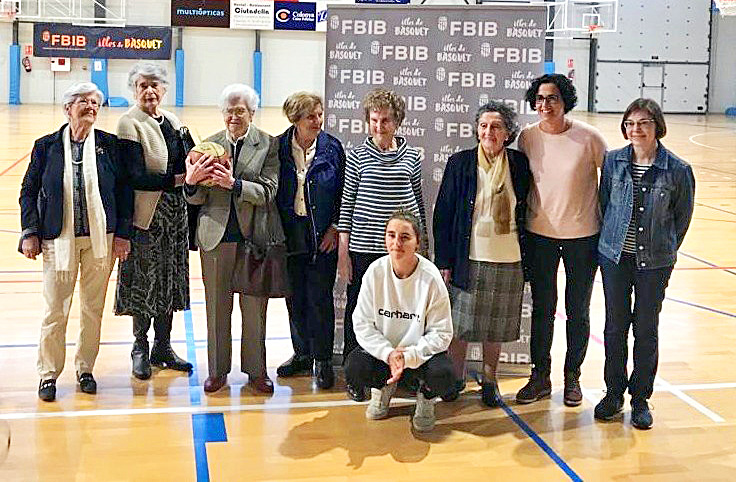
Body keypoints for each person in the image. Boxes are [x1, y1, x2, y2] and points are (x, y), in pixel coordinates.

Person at [19, 82, 132, 401]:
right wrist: (30, 231)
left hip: (102, 241)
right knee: (55, 310)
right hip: (57, 240)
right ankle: (48, 374)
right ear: (68, 108)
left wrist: (123, 234)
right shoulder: (46, 146)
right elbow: (28, 191)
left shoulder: (110, 145)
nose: (90, 106)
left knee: (92, 309)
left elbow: (124, 192)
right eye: (83, 101)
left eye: (95, 102)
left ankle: (85, 369)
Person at [594, 99, 695, 429]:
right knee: (614, 326)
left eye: (644, 123)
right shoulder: (613, 162)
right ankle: (613, 394)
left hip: (654, 263)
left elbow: (681, 219)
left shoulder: (678, 170)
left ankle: (640, 398)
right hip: (615, 258)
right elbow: (604, 203)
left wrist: (662, 249)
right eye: (631, 123)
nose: (636, 129)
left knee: (646, 330)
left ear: (657, 127)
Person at [515, 74, 607, 407]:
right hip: (540, 236)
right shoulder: (527, 137)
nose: (545, 105)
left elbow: (610, 184)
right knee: (542, 309)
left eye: (552, 98)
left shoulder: (589, 138)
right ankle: (540, 376)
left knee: (577, 310)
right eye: (539, 99)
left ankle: (573, 378)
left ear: (565, 100)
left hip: (583, 238)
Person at [184, 84, 281, 394]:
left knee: (254, 309)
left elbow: (269, 191)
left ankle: (256, 371)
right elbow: (196, 198)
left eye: (240, 111)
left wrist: (234, 184)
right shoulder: (206, 146)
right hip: (215, 237)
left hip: (253, 238)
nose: (234, 117)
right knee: (216, 308)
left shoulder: (267, 144)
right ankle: (217, 371)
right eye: (229, 111)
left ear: (252, 113)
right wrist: (191, 182)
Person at [433, 101, 531, 406]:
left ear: (508, 133)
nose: (489, 131)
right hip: (468, 257)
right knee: (460, 327)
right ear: (477, 130)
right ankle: (455, 377)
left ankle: (490, 380)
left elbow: (527, 209)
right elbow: (444, 215)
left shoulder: (519, 164)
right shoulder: (460, 163)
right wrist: (445, 260)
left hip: (509, 257)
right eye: (484, 125)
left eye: (496, 126)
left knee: (495, 327)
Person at [337, 88, 427, 401]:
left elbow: (418, 202)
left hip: (402, 251)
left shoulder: (413, 156)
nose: (379, 126)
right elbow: (347, 205)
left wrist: (422, 245)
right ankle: (355, 372)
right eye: (374, 120)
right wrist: (343, 252)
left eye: (385, 120)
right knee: (358, 310)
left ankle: (404, 372)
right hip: (364, 247)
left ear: (397, 121)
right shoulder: (356, 156)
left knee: (402, 313)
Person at [115, 62, 192, 380]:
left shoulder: (173, 120)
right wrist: (179, 180)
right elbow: (135, 176)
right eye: (142, 85)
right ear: (134, 89)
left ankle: (163, 346)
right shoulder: (128, 123)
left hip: (175, 215)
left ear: (164, 90)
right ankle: (140, 348)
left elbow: (188, 159)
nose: (149, 91)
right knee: (145, 284)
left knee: (168, 281)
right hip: (146, 218)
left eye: (155, 85)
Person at [344, 211, 454, 432]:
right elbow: (362, 324)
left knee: (445, 374)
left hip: (416, 356)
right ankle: (383, 388)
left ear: (417, 243)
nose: (396, 243)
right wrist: (388, 353)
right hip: (387, 355)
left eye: (405, 237)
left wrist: (409, 354)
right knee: (354, 367)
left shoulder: (431, 278)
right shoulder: (374, 272)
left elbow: (442, 333)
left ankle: (426, 397)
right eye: (391, 235)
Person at [275, 92, 346, 389]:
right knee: (295, 298)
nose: (318, 121)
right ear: (296, 120)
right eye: (311, 117)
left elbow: (345, 191)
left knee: (319, 298)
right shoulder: (277, 147)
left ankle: (323, 359)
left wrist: (334, 227)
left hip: (322, 234)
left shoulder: (332, 147)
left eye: (319, 114)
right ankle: (302, 353)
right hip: (290, 233)